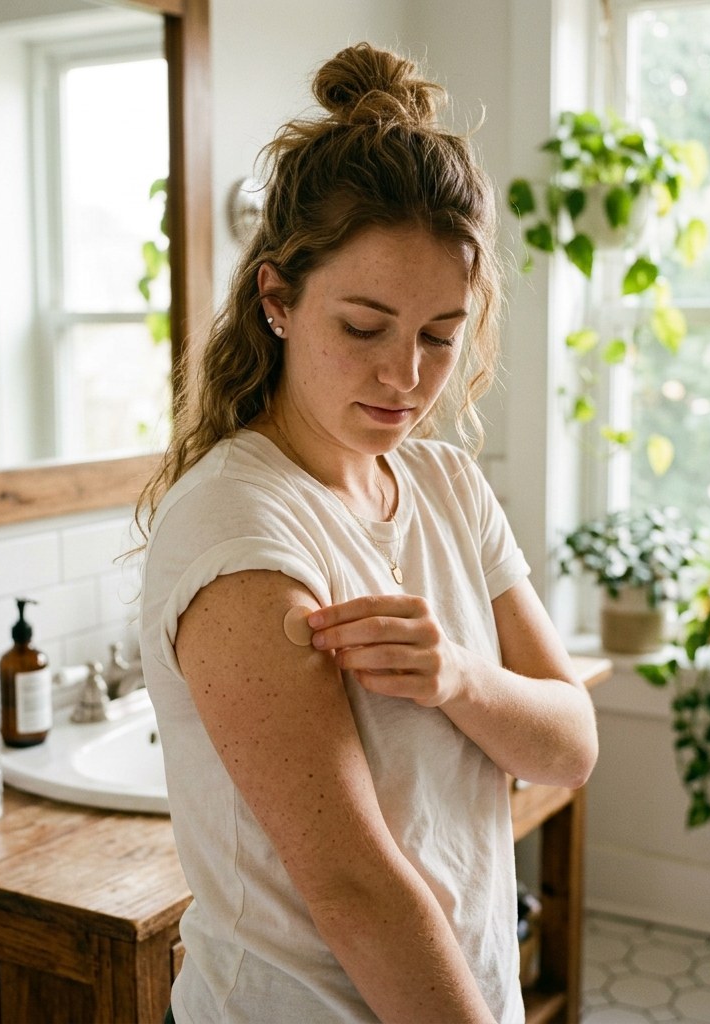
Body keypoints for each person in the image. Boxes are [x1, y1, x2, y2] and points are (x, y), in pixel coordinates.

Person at [137, 41, 598, 1024]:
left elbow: (570, 743)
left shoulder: (445, 483)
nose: (406, 377)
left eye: (440, 334)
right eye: (364, 326)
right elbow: (356, 889)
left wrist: (458, 676)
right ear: (277, 299)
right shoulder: (240, 524)